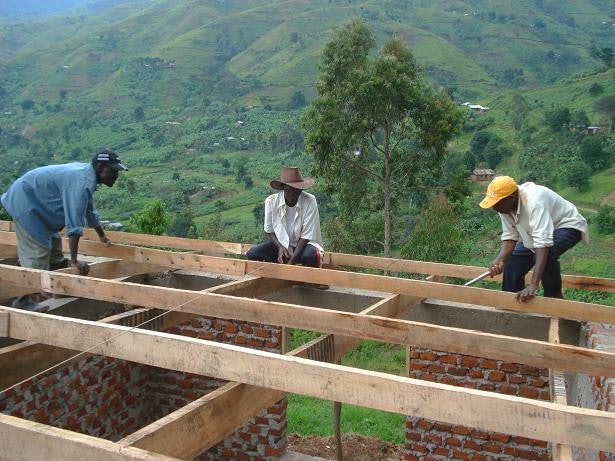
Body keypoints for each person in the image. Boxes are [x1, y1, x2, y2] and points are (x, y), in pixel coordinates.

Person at [1, 149, 128, 311]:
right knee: (37, 254)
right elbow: (74, 223)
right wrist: (74, 260)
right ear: (100, 167)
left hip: (41, 210)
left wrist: (102, 235)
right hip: (26, 205)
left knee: (55, 254)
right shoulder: (81, 182)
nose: (116, 176)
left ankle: (59, 289)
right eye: (113, 171)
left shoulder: (87, 177)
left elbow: (90, 210)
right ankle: (23, 300)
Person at [479, 176, 588, 302]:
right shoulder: (504, 208)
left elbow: (543, 245)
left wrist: (533, 284)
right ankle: (511, 303)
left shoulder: (534, 201)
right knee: (512, 259)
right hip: (537, 233)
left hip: (567, 225)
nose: (494, 208)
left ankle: (554, 299)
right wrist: (499, 260)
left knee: (547, 254)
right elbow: (510, 237)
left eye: (497, 204)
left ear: (510, 198)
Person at [247, 167, 325, 269]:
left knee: (311, 256)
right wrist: (280, 247)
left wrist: (291, 263)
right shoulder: (271, 202)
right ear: (283, 188)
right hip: (282, 245)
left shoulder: (310, 201)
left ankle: (296, 266)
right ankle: (281, 261)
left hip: (304, 247)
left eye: (297, 190)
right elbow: (269, 230)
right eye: (290, 189)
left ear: (301, 189)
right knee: (253, 253)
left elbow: (307, 235)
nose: (294, 193)